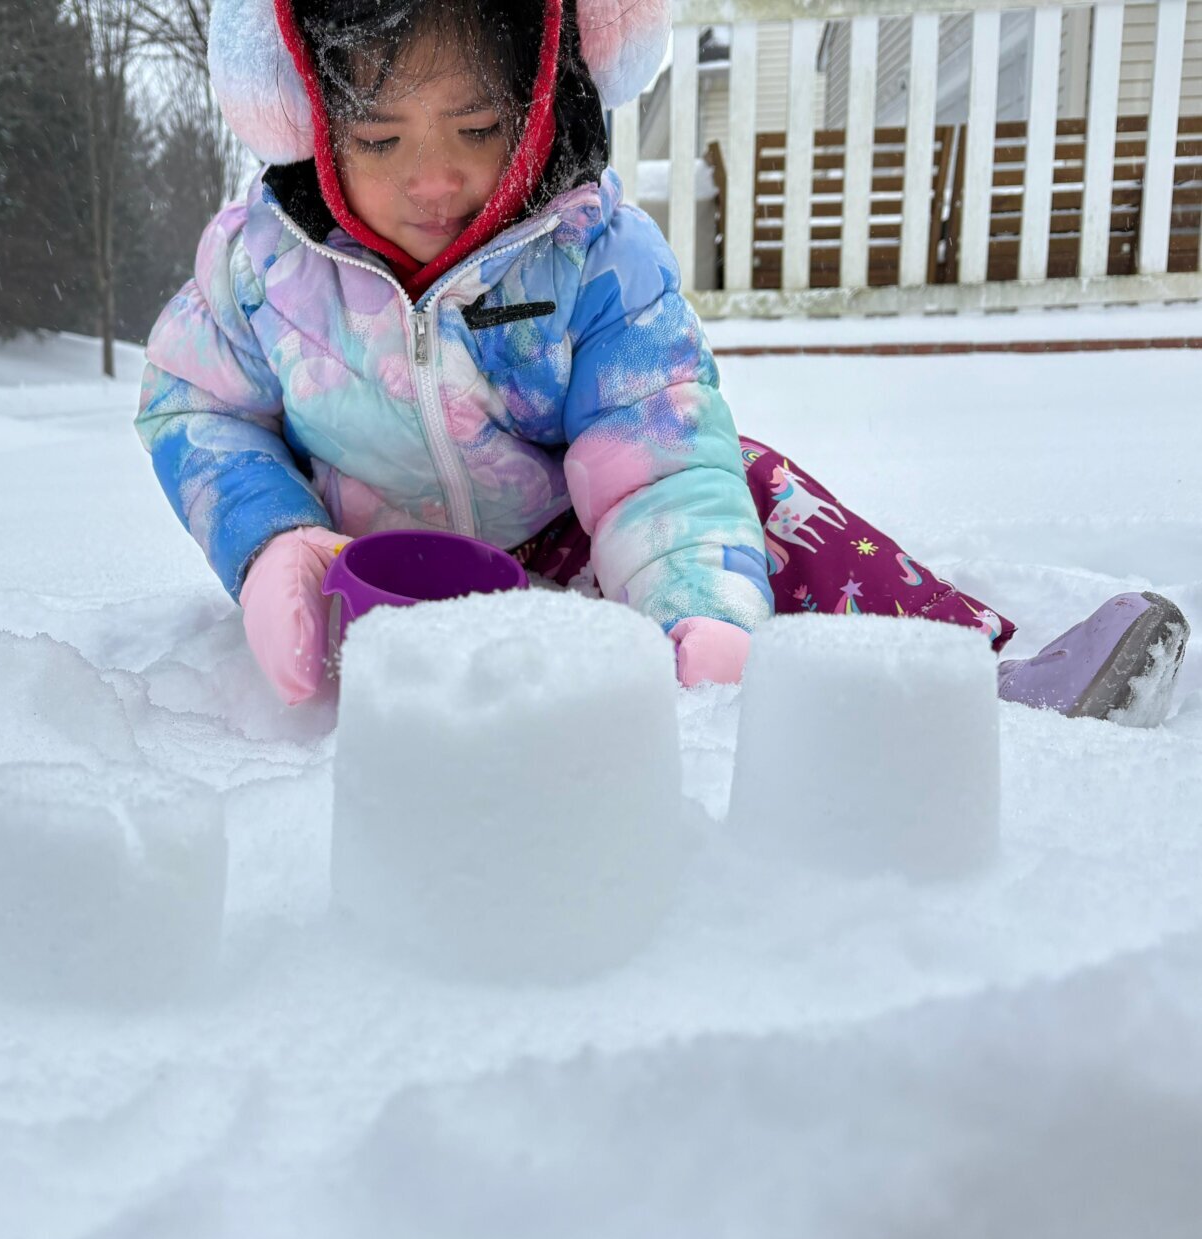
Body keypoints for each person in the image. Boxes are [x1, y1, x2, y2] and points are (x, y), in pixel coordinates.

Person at [136, 0, 1189, 724]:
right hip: (363, 582)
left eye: (474, 125)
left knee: (758, 487)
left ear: (542, 101)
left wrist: (698, 614)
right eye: (380, 139)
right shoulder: (264, 267)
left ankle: (969, 681)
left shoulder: (592, 254)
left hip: (569, 557)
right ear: (309, 122)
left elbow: (656, 453)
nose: (433, 178)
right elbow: (195, 407)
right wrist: (272, 545)